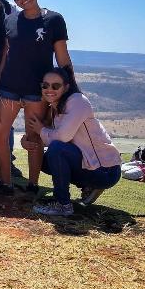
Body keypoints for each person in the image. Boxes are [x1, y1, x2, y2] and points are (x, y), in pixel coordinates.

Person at [0, 0, 74, 196]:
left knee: (33, 138)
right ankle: (5, 183)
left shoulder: (54, 20)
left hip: (37, 92)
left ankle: (32, 185)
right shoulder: (10, 21)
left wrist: (71, 90)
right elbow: (5, 55)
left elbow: (63, 58)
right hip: (8, 88)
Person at [25, 68, 121, 216]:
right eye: (45, 85)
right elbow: (54, 137)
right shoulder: (56, 107)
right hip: (90, 165)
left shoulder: (77, 101)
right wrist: (26, 141)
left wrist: (40, 130)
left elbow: (62, 138)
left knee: (56, 149)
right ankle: (87, 186)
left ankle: (63, 205)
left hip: (106, 170)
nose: (49, 89)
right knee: (43, 160)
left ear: (66, 87)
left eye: (55, 86)